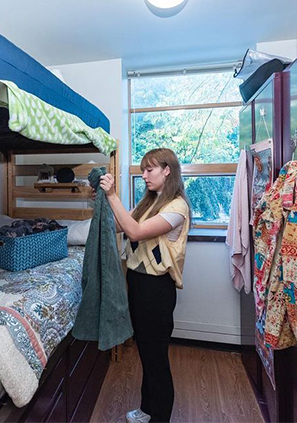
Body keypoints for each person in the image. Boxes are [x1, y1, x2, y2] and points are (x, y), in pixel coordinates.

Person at [97, 148, 190, 423]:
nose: (144, 174)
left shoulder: (177, 207)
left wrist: (113, 196)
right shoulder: (149, 202)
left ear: (167, 170)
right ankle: (148, 409)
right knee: (146, 352)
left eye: (150, 169)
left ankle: (159, 416)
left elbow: (135, 232)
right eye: (143, 169)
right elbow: (120, 226)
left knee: (155, 358)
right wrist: (104, 204)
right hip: (138, 282)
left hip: (157, 289)